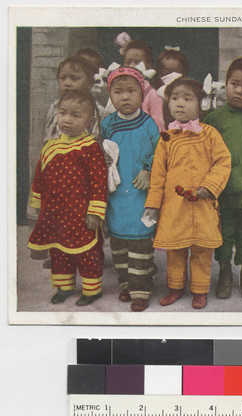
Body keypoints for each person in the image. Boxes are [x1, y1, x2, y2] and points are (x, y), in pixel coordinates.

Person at [144, 77, 231, 309]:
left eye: (187, 98)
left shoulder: (210, 134)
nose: (180, 104)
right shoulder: (166, 138)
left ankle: (200, 290)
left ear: (201, 104)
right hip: (174, 206)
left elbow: (223, 163)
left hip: (203, 204)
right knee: (175, 249)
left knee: (202, 250)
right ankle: (175, 287)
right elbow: (158, 174)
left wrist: (210, 186)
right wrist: (153, 203)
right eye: (174, 99)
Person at [28, 90, 108, 306]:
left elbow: (99, 182)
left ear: (89, 121)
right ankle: (64, 286)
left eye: (75, 115)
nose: (67, 120)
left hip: (81, 214)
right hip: (54, 213)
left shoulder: (90, 148)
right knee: (59, 250)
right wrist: (37, 205)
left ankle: (92, 289)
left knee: (87, 252)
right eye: (63, 113)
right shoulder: (50, 146)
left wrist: (95, 212)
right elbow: (40, 177)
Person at [203, 57, 242, 300]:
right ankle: (225, 272)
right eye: (234, 83)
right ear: (226, 84)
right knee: (223, 233)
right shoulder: (213, 119)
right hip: (222, 191)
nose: (239, 90)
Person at [101, 66, 160, 312]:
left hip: (140, 195)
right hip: (116, 195)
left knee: (140, 243)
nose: (125, 97)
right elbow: (100, 153)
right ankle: (126, 283)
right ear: (110, 96)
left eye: (131, 91)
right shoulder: (106, 125)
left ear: (142, 93)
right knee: (118, 243)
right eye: (118, 92)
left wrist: (147, 170)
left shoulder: (149, 124)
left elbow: (160, 153)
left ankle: (140, 290)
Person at [106, 38, 166, 131]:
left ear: (148, 66)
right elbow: (109, 113)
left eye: (137, 62)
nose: (132, 66)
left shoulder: (151, 93)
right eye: (128, 62)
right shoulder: (117, 89)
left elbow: (158, 123)